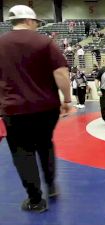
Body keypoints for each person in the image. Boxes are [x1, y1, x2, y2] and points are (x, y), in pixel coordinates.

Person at [0, 5, 72, 212]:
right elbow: (61, 73)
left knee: (23, 153)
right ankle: (51, 184)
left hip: (14, 110)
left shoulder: (1, 44)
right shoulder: (45, 42)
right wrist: (67, 99)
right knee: (45, 144)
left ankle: (35, 200)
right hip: (46, 108)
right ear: (31, 21)